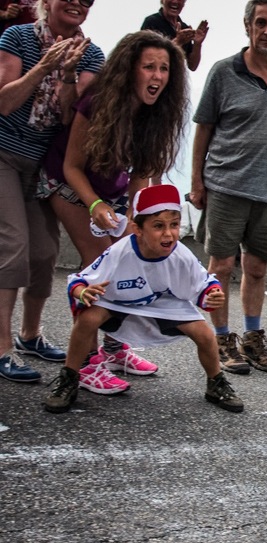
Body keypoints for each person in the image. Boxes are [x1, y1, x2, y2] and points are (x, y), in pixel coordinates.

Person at [37, 29, 187, 395]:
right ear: (129, 69)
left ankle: (116, 348)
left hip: (113, 192)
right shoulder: (98, 103)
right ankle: (87, 364)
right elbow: (72, 166)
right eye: (148, 67)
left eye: (164, 69)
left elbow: (139, 180)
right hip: (68, 184)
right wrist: (95, 205)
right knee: (99, 262)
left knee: (131, 260)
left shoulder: (156, 116)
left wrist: (138, 225)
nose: (156, 76)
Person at [44, 185, 243, 413]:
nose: (169, 234)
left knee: (205, 334)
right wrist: (82, 292)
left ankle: (216, 384)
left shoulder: (181, 254)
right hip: (119, 301)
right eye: (158, 226)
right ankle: (69, 378)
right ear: (137, 229)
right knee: (88, 319)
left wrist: (212, 295)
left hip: (162, 302)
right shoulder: (121, 251)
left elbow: (204, 282)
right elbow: (80, 280)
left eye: (174, 225)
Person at [191, 0, 267, 376]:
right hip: (226, 182)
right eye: (260, 23)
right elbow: (204, 127)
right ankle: (222, 338)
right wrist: (196, 182)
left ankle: (252, 338)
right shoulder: (224, 71)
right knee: (221, 265)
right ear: (247, 26)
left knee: (257, 267)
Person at [0, 0, 103, 383]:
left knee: (44, 253)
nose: (79, 3)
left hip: (44, 164)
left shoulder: (91, 53)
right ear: (47, 3)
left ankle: (30, 335)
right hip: (5, 154)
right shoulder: (18, 37)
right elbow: (4, 102)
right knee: (13, 245)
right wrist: (43, 66)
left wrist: (69, 73)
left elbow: (70, 118)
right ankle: (1, 348)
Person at [141, 0, 208, 72]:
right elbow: (147, 57)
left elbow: (192, 66)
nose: (175, 1)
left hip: (176, 81)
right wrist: (178, 41)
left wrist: (197, 44)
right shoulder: (151, 22)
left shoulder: (184, 28)